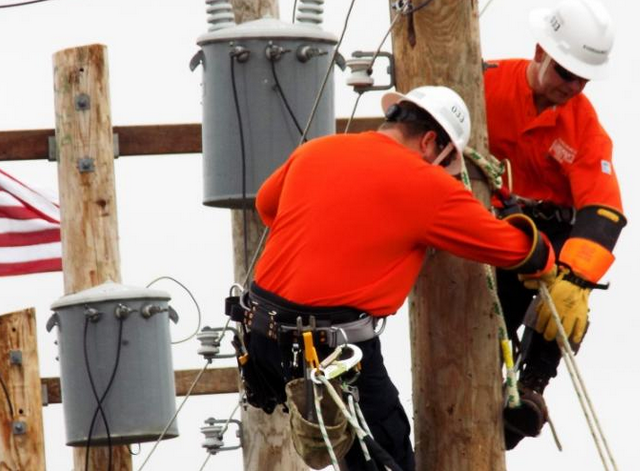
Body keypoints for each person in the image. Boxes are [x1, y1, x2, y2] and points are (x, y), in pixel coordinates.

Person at [238, 86, 559, 471]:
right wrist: (539, 244)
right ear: (429, 142)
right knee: (388, 456)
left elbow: (267, 206)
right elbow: (521, 252)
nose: (443, 172)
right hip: (333, 352)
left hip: (261, 339)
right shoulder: (428, 185)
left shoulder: (317, 150)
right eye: (445, 163)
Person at [483, 0, 627, 449]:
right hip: (486, 233)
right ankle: (486, 384)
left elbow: (603, 210)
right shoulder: (482, 83)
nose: (573, 86)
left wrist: (576, 279)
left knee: (563, 302)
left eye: (583, 78)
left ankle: (532, 385)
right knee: (483, 330)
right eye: (566, 72)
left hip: (546, 242)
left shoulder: (584, 128)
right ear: (540, 51)